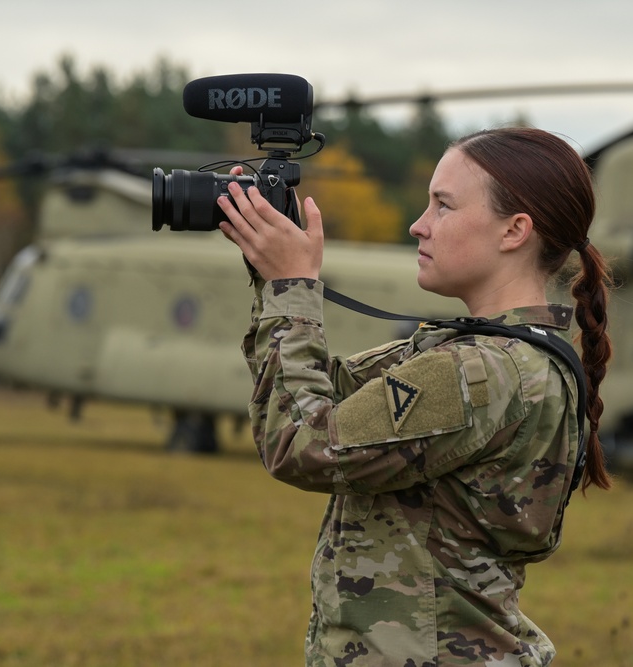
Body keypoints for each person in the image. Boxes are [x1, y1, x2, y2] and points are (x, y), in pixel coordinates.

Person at [217, 127, 612, 667]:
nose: (418, 225)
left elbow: (303, 442)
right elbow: (325, 396)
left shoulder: (478, 372)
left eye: (443, 206)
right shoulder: (503, 356)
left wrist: (294, 289)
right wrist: (273, 271)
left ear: (515, 230)